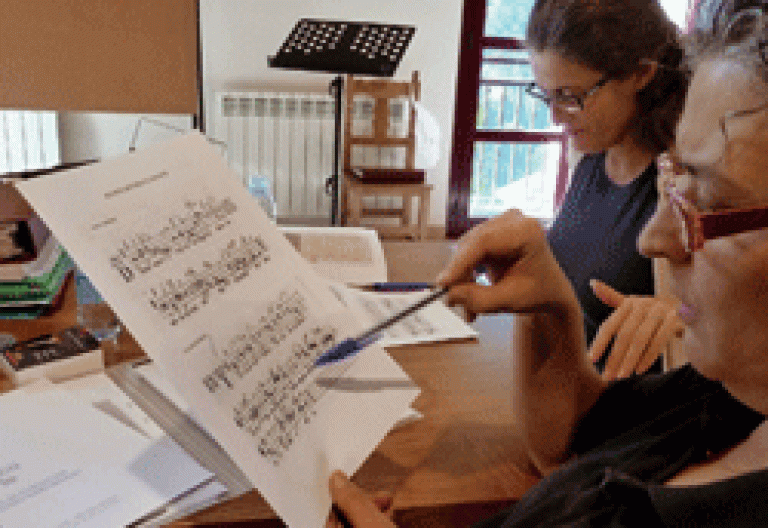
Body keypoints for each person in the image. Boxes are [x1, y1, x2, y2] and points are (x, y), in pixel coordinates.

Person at [326, 4, 768, 526]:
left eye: (708, 200)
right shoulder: (720, 399)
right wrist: (549, 303)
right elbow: (566, 444)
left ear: (642, 75)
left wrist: (672, 311)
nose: (653, 238)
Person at [526, 0, 689, 378]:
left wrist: (682, 314)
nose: (555, 115)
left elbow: (722, 319)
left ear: (640, 73)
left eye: (570, 95)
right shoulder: (593, 155)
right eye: (546, 93)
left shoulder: (681, 183)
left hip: (636, 420)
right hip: (568, 394)